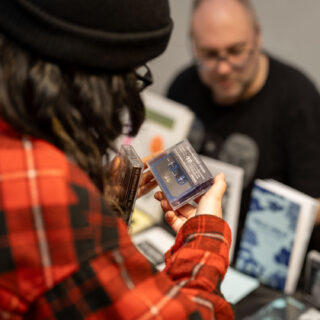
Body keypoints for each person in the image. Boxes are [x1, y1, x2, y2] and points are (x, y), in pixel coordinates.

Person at [0, 0, 234, 319]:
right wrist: (205, 233)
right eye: (131, 76)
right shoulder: (50, 195)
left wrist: (99, 200)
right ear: (95, 81)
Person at [167, 0, 320, 256]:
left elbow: (312, 208)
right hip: (188, 245)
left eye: (236, 51)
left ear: (257, 38)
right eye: (208, 54)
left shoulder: (298, 100)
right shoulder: (183, 87)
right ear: (193, 45)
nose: (224, 68)